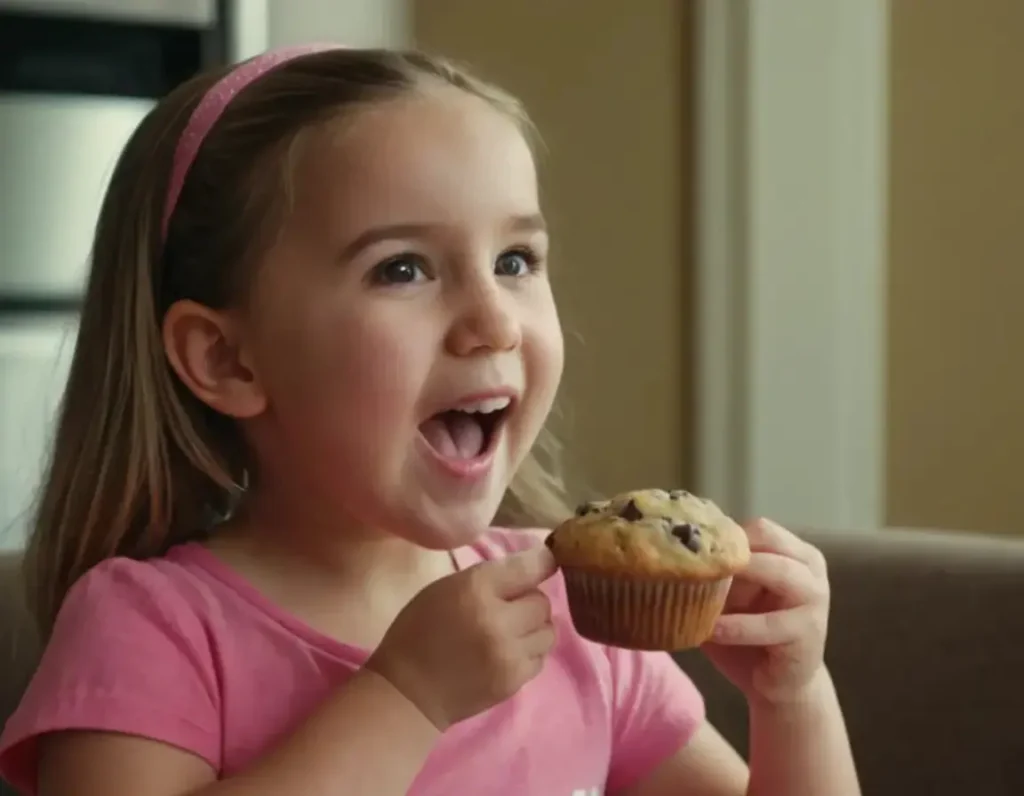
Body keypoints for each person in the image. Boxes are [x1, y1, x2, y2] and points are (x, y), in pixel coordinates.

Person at [0, 44, 860, 796]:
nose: (493, 321)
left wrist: (794, 701)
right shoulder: (150, 629)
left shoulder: (574, 614)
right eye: (403, 269)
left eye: (515, 259)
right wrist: (405, 701)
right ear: (229, 359)